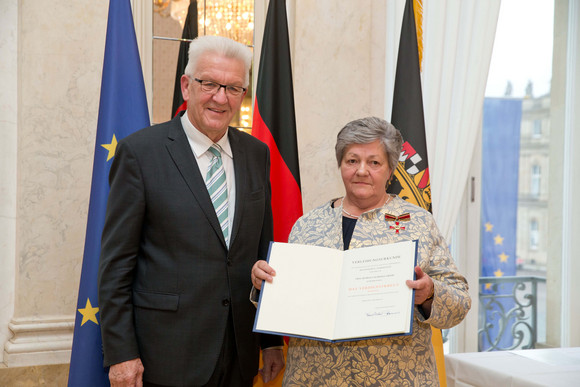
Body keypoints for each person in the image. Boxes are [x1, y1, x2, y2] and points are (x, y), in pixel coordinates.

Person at [98, 35, 284, 387]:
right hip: (166, 355)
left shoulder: (256, 154)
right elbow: (116, 264)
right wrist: (121, 353)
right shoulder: (141, 153)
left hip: (240, 352)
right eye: (209, 83)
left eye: (233, 88)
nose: (220, 97)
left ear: (243, 95)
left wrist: (271, 340)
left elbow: (264, 251)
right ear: (186, 86)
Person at [252, 117, 471, 386]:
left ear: (390, 169)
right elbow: (287, 304)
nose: (361, 171)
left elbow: (460, 302)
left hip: (397, 379)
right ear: (340, 165)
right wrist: (264, 285)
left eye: (374, 162)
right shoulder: (307, 225)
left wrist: (430, 294)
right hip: (314, 378)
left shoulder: (419, 223)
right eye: (352, 160)